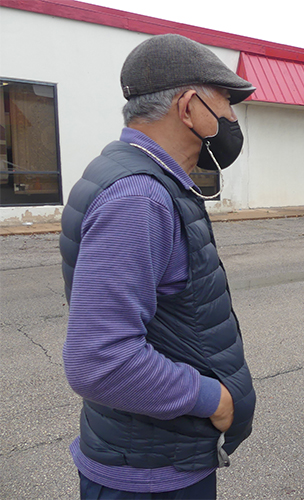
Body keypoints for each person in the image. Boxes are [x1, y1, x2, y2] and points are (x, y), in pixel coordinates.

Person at [60, 34, 257, 499]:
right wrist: (214, 398)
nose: (231, 118)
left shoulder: (145, 178)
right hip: (147, 477)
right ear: (189, 107)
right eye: (226, 102)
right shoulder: (138, 197)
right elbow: (99, 361)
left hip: (156, 456)